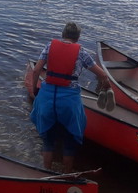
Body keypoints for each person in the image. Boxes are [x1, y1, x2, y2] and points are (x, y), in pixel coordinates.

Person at [29, 22, 111, 174]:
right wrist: (105, 85)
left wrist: (34, 90)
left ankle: (45, 174)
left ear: (63, 34)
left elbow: (36, 71)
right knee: (69, 142)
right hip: (68, 102)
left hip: (47, 98)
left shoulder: (49, 47)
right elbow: (103, 75)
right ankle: (67, 176)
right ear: (78, 37)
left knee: (47, 141)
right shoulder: (82, 53)